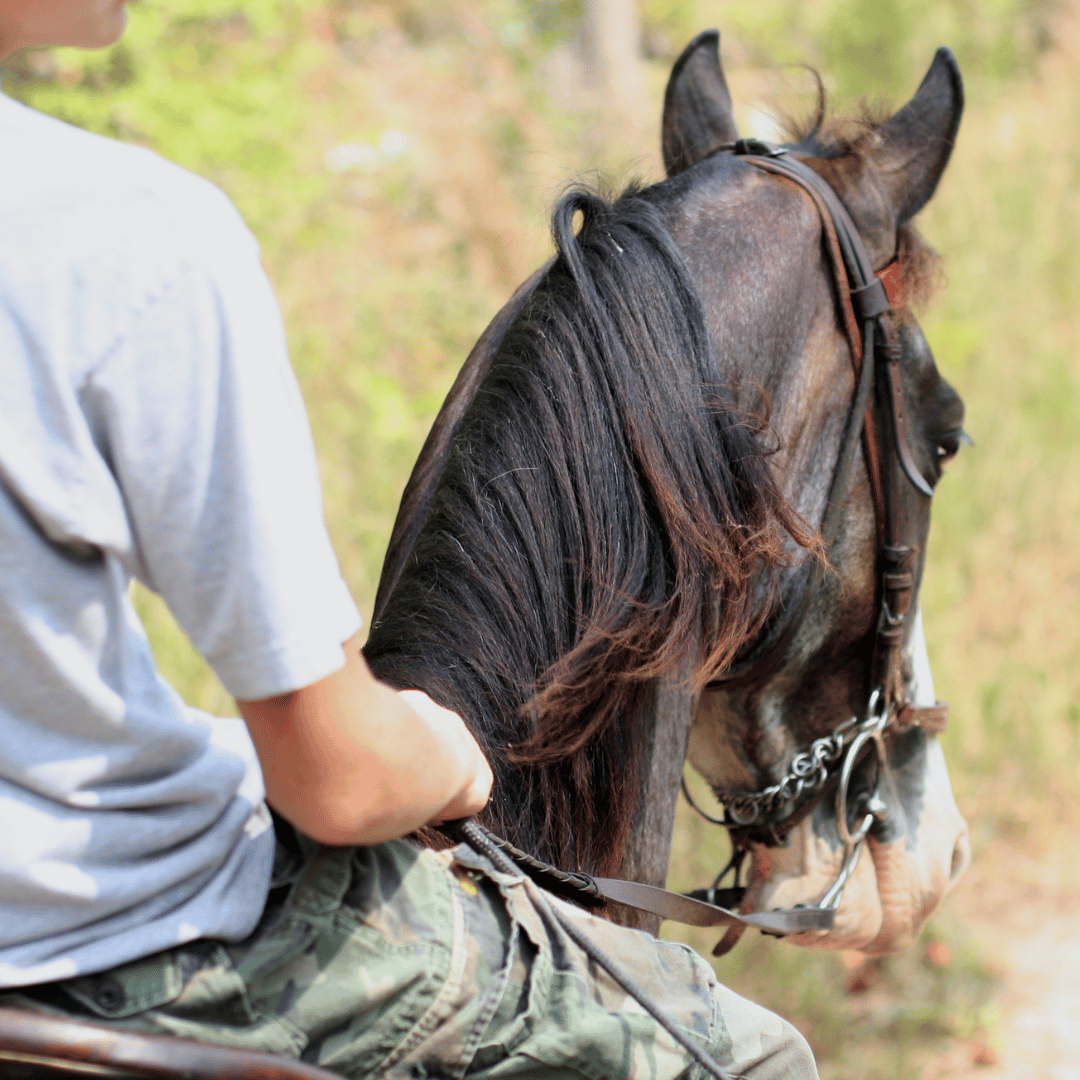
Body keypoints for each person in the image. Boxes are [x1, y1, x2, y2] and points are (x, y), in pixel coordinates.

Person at [0, 2, 819, 1077]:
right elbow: (333, 779)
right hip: (117, 950)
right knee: (749, 1059)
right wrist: (443, 754)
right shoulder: (123, 240)